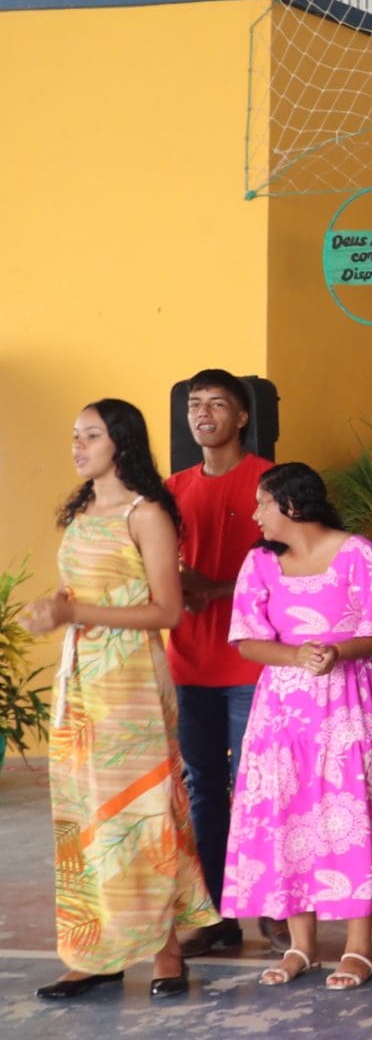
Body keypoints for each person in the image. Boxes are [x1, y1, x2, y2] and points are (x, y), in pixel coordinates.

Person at [28, 399, 216, 1000]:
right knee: (85, 813)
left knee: (140, 810)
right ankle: (97, 952)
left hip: (131, 680)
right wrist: (57, 607)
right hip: (82, 679)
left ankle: (166, 952)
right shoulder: (82, 510)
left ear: (122, 443)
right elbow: (82, 590)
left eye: (91, 435)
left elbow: (167, 610)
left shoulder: (147, 514)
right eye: (75, 435)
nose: (78, 446)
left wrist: (73, 611)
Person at [222, 464, 372, 990]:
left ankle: (358, 948)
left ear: (293, 505)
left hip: (345, 702)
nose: (256, 514)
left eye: (263, 502)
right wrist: (297, 655)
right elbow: (247, 640)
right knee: (286, 815)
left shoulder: (359, 554)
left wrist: (337, 651)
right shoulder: (259, 562)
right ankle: (302, 946)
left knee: (351, 815)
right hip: (280, 710)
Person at [166, 368, 272, 957]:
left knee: (260, 787)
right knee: (203, 789)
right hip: (188, 663)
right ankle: (215, 914)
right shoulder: (171, 489)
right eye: (195, 405)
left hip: (252, 664)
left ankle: (276, 908)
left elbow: (290, 569)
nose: (203, 414)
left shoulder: (268, 482)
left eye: (217, 404)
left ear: (242, 416)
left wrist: (216, 588)